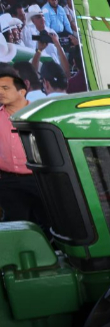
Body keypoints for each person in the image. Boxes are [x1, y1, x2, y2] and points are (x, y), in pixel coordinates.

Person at [0, 64, 46, 227]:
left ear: (22, 90)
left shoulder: (40, 114)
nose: (0, 92)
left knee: (49, 223)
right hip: (7, 181)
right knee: (15, 225)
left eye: (5, 88)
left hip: (40, 179)